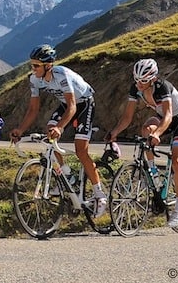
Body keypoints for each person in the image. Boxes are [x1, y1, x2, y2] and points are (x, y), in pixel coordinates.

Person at [8, 44, 107, 217]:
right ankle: (67, 174)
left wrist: (60, 127)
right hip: (66, 105)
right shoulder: (34, 79)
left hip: (83, 104)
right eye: (31, 65)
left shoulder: (61, 75)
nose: (33, 69)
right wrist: (20, 129)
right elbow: (33, 109)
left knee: (81, 150)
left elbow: (73, 106)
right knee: (49, 131)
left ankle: (100, 194)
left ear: (48, 66)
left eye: (36, 65)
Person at [107, 58, 178, 228]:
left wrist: (158, 133)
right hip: (162, 119)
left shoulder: (162, 87)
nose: (138, 84)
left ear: (153, 78)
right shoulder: (136, 88)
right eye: (136, 80)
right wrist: (114, 132)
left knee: (177, 162)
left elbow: (168, 116)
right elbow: (127, 117)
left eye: (143, 81)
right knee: (145, 131)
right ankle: (153, 172)